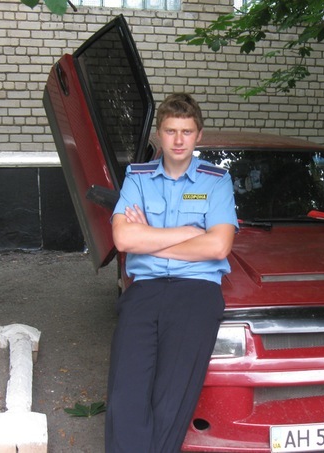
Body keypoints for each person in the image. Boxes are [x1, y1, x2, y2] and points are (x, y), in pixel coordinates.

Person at [105, 93, 238, 453]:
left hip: (196, 292)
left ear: (199, 135)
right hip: (145, 290)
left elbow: (218, 246)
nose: (179, 140)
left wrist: (149, 238)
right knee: (126, 392)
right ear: (159, 135)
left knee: (172, 395)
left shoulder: (216, 182)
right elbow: (123, 239)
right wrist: (189, 233)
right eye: (170, 131)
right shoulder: (138, 178)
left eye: (187, 131)